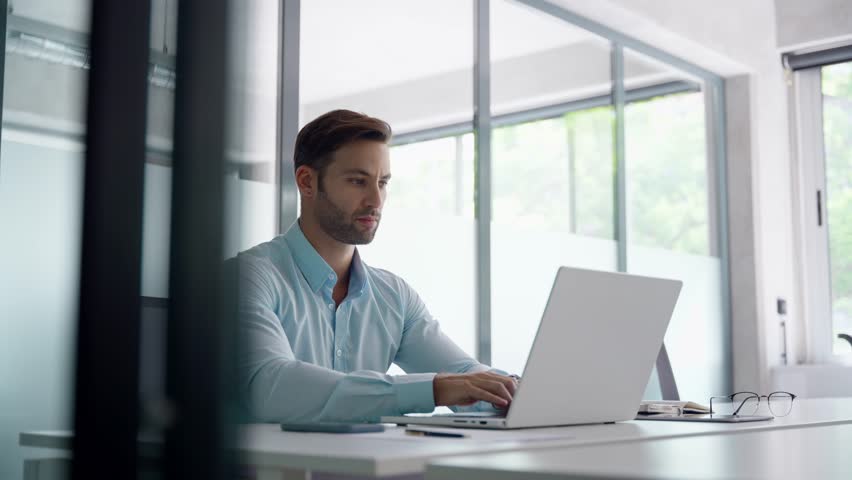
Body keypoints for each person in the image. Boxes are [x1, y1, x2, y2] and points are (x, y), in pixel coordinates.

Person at [237, 109, 516, 423]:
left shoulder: (393, 295)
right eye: (358, 181)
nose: (376, 200)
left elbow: (464, 374)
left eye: (382, 183)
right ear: (307, 182)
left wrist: (515, 391)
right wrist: (432, 389)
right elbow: (271, 389)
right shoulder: (248, 278)